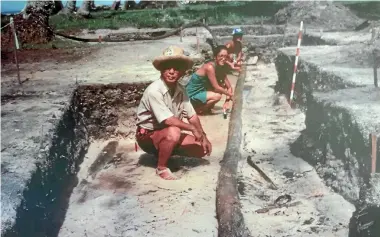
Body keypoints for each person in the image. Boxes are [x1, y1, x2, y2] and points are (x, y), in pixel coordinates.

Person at [135, 46, 212, 180]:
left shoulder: (181, 89)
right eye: (167, 68)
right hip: (147, 137)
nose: (171, 72)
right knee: (174, 131)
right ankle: (161, 167)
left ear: (182, 72)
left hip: (166, 132)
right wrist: (192, 128)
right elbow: (168, 121)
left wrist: (203, 136)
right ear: (161, 70)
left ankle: (165, 151)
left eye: (176, 68)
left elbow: (192, 115)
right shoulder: (154, 90)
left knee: (201, 148)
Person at [185, 45, 234, 114]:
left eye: (226, 56)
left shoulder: (220, 68)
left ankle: (204, 109)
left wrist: (227, 101)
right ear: (215, 57)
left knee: (221, 87)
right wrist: (231, 95)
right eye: (221, 56)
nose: (223, 58)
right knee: (218, 95)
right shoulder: (209, 67)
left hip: (200, 92)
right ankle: (197, 111)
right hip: (190, 95)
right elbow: (216, 87)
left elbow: (229, 87)